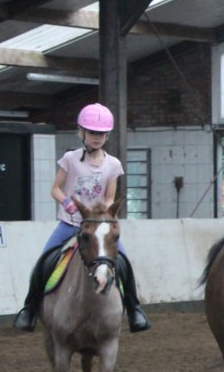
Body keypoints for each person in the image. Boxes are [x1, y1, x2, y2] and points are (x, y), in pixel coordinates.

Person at [12, 103, 150, 334]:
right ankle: (29, 309)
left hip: (97, 227)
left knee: (124, 262)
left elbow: (109, 197)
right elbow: (55, 188)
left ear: (107, 136)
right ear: (82, 132)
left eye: (101, 134)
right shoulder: (70, 159)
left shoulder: (113, 164)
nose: (97, 137)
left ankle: (134, 309)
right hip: (70, 223)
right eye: (93, 132)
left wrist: (104, 215)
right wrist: (66, 202)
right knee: (43, 262)